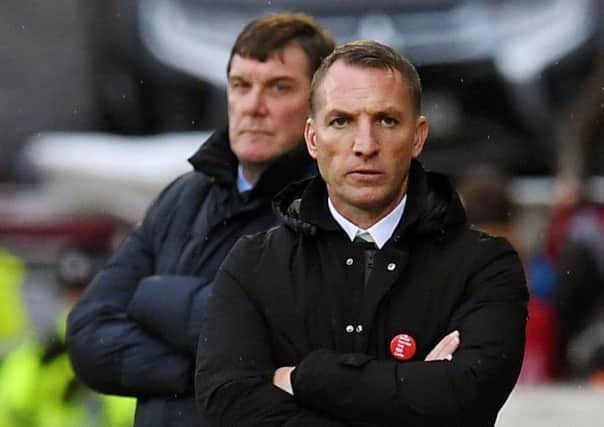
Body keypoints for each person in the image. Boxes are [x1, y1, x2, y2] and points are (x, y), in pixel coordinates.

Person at [196, 40, 528, 426]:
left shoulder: (485, 266)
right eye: (342, 121)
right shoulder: (253, 263)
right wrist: (417, 391)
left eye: (386, 120)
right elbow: (228, 406)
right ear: (313, 138)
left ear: (418, 136)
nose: (365, 145)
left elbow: (468, 395)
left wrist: (308, 376)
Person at [66, 13, 335, 427]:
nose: (253, 106)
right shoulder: (182, 197)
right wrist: (210, 372)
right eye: (241, 85)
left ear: (320, 106)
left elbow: (285, 338)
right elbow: (89, 338)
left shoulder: (335, 208)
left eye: (279, 87)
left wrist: (154, 299)